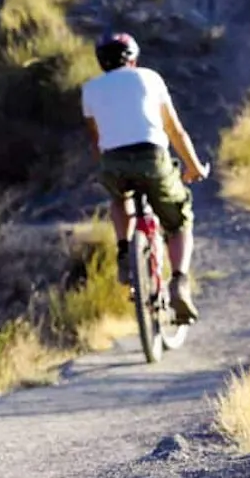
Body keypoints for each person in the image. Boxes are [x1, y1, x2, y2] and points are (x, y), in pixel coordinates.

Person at [81, 32, 209, 324]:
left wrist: (108, 170)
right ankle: (179, 281)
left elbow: (96, 138)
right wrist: (194, 167)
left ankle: (125, 252)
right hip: (152, 157)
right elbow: (175, 131)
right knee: (178, 222)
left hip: (113, 161)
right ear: (134, 57)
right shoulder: (149, 78)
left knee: (119, 198)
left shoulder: (89, 89)